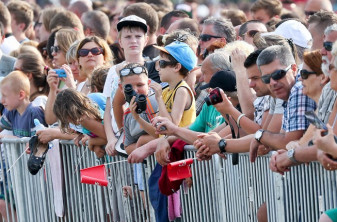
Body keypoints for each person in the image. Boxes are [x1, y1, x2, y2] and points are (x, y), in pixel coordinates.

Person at [249, 45, 316, 162]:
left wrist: (260, 136)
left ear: (294, 69)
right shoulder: (289, 93)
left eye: (278, 74)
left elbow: (288, 142)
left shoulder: (298, 89)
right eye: (266, 79)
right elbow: (288, 143)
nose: (273, 82)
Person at [53, 88, 106, 157]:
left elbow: (108, 137)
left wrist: (92, 142)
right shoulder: (86, 117)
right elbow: (101, 134)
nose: (67, 121)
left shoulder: (85, 119)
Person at [0, 71, 46, 137]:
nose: (1, 101)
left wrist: (7, 137)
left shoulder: (34, 113)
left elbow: (36, 142)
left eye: (5, 96)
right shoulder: (11, 111)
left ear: (21, 95)